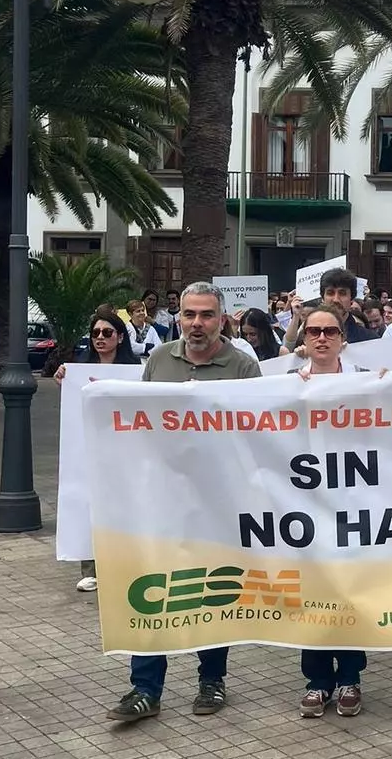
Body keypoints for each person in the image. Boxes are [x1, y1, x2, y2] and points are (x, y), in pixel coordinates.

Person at [107, 283, 262, 726]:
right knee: (151, 587)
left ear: (222, 319)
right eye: (189, 314)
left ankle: (212, 679)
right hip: (160, 500)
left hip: (218, 503)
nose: (197, 324)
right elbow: (134, 422)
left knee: (212, 589)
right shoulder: (158, 360)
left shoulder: (243, 367)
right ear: (178, 316)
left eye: (207, 315)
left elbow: (260, 433)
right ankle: (145, 688)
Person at [285, 303, 371, 716]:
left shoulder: (366, 383)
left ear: (343, 339)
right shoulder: (284, 385)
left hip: (353, 507)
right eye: (313, 330)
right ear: (303, 338)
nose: (321, 337)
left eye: (330, 331)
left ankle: (351, 678)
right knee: (313, 595)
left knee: (350, 593)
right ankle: (318, 681)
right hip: (304, 508)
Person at [55, 307, 141, 592]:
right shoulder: (79, 369)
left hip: (127, 451)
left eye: (107, 333)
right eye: (95, 334)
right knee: (89, 504)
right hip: (91, 450)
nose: (100, 338)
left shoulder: (136, 370)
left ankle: (128, 564)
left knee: (127, 505)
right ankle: (91, 568)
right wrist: (63, 380)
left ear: (120, 337)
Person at [283, 268, 378, 348]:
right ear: (322, 298)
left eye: (342, 293)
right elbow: (287, 350)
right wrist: (296, 316)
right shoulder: (308, 334)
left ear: (351, 300)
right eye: (330, 293)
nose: (336, 299)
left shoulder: (370, 340)